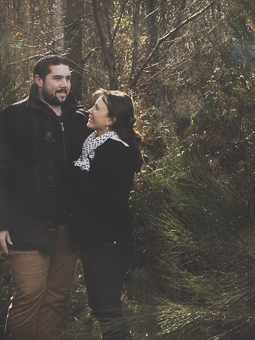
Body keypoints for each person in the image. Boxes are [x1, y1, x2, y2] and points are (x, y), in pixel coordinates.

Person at [0, 55, 90, 340]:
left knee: (57, 298)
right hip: (27, 225)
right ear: (38, 80)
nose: (64, 85)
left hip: (68, 225)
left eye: (67, 78)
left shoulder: (78, 118)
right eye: (57, 78)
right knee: (28, 296)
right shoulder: (13, 117)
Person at [70, 89, 143, 340]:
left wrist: (75, 173)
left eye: (97, 108)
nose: (91, 111)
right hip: (98, 241)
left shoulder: (115, 151)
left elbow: (99, 198)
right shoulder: (94, 143)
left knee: (108, 310)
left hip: (110, 244)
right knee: (103, 308)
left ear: (111, 121)